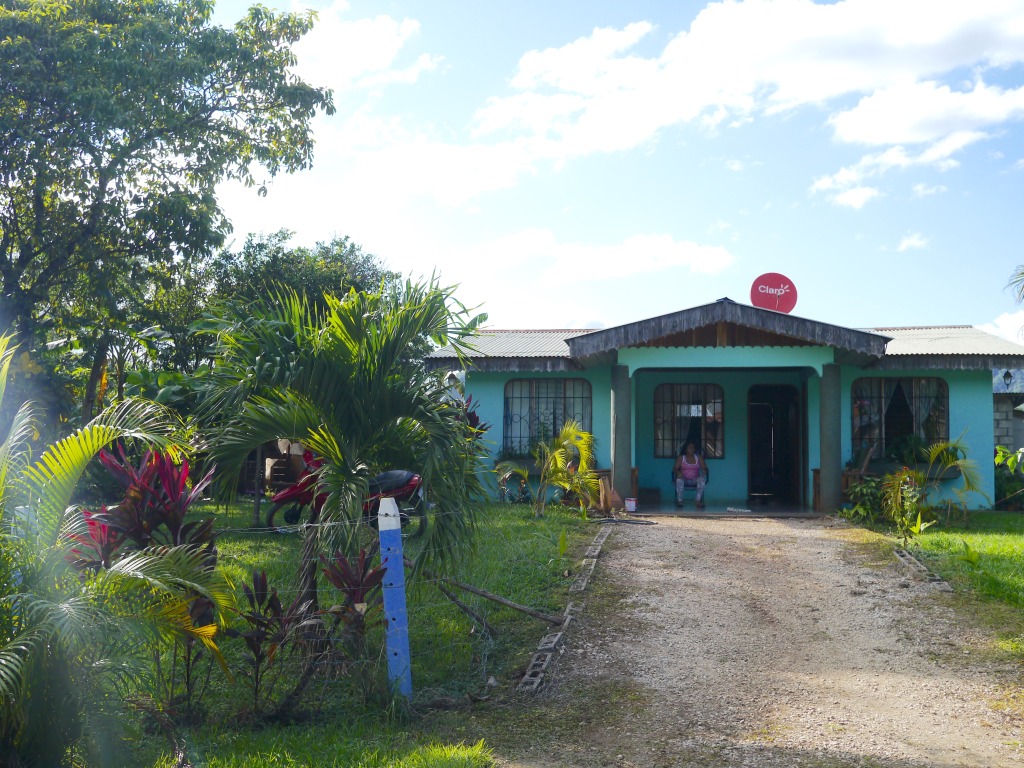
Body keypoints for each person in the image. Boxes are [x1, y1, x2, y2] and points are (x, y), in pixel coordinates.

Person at [674, 440, 708, 509]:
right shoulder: (681, 458)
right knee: (679, 479)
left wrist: (704, 471)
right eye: (690, 448)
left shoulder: (698, 457)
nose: (692, 449)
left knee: (701, 479)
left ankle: (698, 500)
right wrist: (678, 472)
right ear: (686, 449)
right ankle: (680, 500)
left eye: (693, 448)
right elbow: (675, 469)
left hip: (695, 479)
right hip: (684, 478)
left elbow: (705, 468)